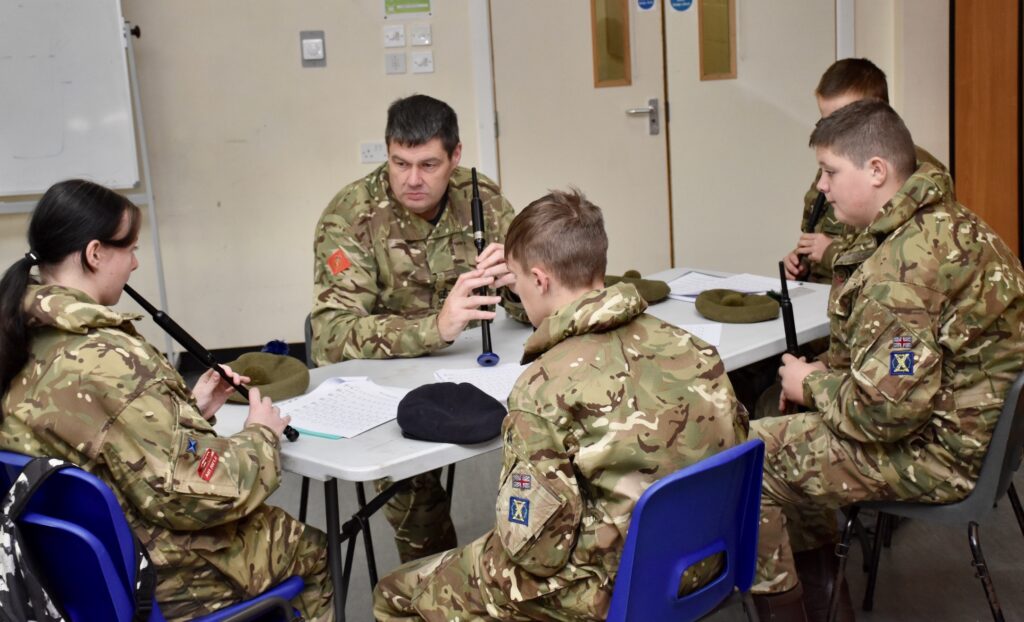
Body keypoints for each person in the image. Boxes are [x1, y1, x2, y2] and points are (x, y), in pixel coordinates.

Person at [372, 189, 748, 621]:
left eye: (515, 282)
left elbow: (537, 554)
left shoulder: (541, 389)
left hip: (613, 591)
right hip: (707, 560)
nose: (517, 293)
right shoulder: (694, 347)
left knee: (396, 592)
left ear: (540, 279)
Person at [0, 180, 333, 621]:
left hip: (66, 573)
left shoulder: (19, 332)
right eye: (130, 249)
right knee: (309, 548)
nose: (136, 263)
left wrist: (188, 405)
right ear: (95, 253)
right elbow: (198, 496)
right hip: (149, 572)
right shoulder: (106, 358)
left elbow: (105, 437)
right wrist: (260, 435)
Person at [750, 101, 1024, 622]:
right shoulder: (952, 223)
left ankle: (798, 610)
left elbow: (884, 414)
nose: (822, 188)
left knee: (753, 455)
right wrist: (823, 382)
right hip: (979, 439)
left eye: (831, 172)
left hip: (938, 454)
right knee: (790, 432)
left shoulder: (902, 266)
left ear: (877, 171)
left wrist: (811, 383)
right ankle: (827, 601)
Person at [311, 94, 527, 564]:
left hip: (480, 366)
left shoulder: (481, 199)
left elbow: (537, 302)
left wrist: (518, 286)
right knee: (418, 506)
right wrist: (436, 327)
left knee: (547, 446)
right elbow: (330, 336)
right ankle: (436, 595)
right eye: (399, 162)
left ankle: (524, 577)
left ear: (456, 156)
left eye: (429, 164)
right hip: (389, 385)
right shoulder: (351, 215)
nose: (412, 179)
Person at [782, 57, 946, 284]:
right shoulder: (832, 172)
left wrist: (831, 253)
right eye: (825, 121)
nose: (832, 131)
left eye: (844, 119)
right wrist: (803, 264)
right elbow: (814, 236)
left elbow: (912, 262)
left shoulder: (916, 171)